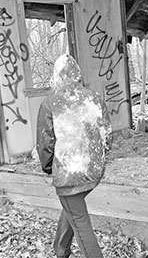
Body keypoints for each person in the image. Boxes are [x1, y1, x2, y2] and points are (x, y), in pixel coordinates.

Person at [37, 53, 110, 258]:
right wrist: (98, 160)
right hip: (93, 170)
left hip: (69, 175)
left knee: (79, 219)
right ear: (77, 74)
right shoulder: (94, 97)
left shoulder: (50, 103)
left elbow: (45, 144)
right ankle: (60, 249)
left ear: (57, 76)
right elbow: (107, 136)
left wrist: (50, 168)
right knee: (72, 207)